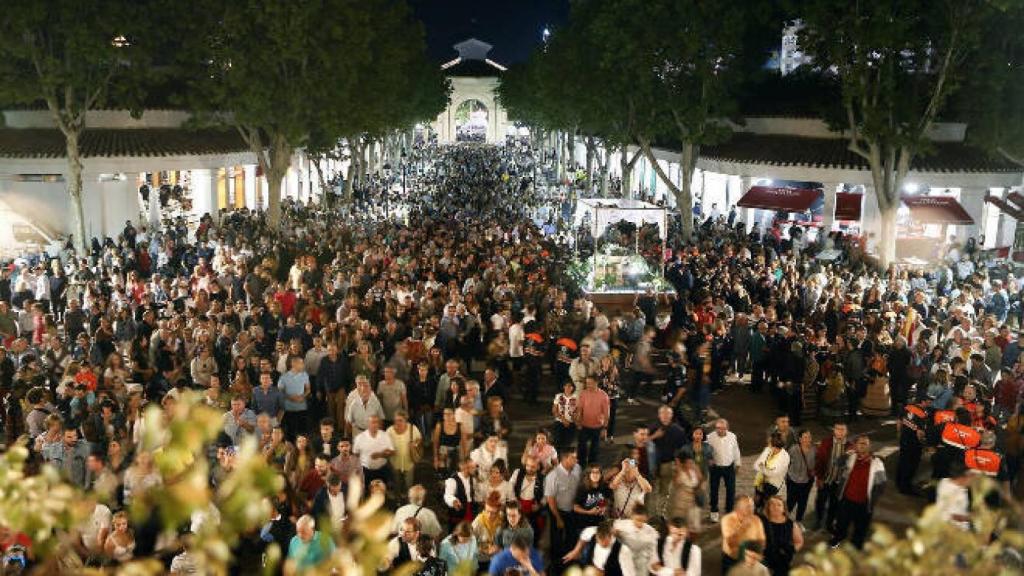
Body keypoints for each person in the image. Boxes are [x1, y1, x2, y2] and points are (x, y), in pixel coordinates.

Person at [830, 434, 886, 549]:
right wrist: (846, 454)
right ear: (855, 445)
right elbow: (837, 463)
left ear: (869, 446)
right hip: (846, 500)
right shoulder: (850, 458)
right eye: (860, 443)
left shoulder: (877, 463)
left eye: (866, 443)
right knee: (841, 523)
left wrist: (873, 498)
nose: (863, 445)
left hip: (864, 504)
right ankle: (838, 538)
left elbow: (882, 484)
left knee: (860, 528)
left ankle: (856, 546)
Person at [649, 405, 689, 517]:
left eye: (668, 414)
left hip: (668, 464)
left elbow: (684, 449)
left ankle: (660, 514)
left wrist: (680, 466)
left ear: (671, 415)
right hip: (652, 465)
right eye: (663, 413)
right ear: (659, 415)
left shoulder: (678, 430)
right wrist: (654, 436)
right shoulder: (652, 428)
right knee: (650, 490)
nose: (665, 416)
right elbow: (640, 443)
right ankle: (651, 514)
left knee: (665, 491)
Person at [544, 450, 581, 574]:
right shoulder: (552, 476)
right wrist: (558, 518)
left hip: (574, 511)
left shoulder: (577, 469)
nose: (576, 460)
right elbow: (550, 500)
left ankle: (570, 564)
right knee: (557, 541)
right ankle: (556, 567)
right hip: (558, 512)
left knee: (572, 538)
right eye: (573, 458)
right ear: (565, 459)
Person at [564, 518, 636, 576]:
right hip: (591, 569)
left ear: (611, 536)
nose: (602, 544)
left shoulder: (623, 550)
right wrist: (576, 551)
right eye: (599, 541)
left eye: (605, 542)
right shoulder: (593, 531)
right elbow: (584, 535)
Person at [812, 422, 850, 532]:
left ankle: (829, 524)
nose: (840, 432)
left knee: (834, 504)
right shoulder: (825, 443)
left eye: (842, 429)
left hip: (838, 483)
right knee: (820, 502)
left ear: (846, 431)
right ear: (834, 430)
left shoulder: (850, 446)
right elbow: (819, 461)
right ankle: (818, 521)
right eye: (838, 429)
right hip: (825, 480)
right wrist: (819, 478)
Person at [707, 418, 742, 523]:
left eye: (723, 428)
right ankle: (714, 511)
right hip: (715, 468)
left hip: (729, 467)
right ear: (715, 428)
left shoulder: (732, 436)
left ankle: (729, 511)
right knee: (713, 490)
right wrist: (708, 459)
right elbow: (705, 450)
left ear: (727, 428)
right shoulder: (709, 437)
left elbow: (736, 450)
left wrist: (738, 464)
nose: (720, 430)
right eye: (718, 428)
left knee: (731, 490)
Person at [720, 495, 765, 575]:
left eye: (752, 506)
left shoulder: (756, 519)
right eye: (748, 507)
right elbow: (731, 543)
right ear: (737, 508)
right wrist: (743, 528)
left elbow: (762, 541)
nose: (752, 509)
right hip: (732, 559)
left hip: (752, 558)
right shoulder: (727, 519)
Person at [759, 495, 803, 575]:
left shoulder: (791, 524)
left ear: (784, 508)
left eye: (779, 505)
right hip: (765, 558)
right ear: (768, 507)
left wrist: (792, 551)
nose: (775, 507)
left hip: (785, 558)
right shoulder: (761, 522)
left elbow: (799, 541)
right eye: (772, 504)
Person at [576, 375, 610, 467]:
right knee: (581, 448)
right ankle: (580, 466)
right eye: (587, 383)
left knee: (594, 449)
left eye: (590, 383)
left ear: (596, 383)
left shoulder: (604, 396)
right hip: (584, 426)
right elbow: (579, 409)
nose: (588, 385)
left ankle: (591, 467)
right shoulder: (583, 393)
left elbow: (607, 414)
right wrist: (578, 422)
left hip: (597, 427)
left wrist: (604, 428)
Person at [387, 410, 422, 495]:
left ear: (406, 420)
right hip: (395, 462)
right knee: (396, 483)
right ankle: (398, 499)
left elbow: (419, 439)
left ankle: (408, 501)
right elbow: (386, 445)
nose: (397, 423)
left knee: (409, 485)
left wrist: (415, 444)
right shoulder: (390, 431)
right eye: (396, 420)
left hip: (409, 462)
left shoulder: (412, 428)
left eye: (400, 420)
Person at [352, 415, 395, 486]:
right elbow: (355, 455)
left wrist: (381, 455)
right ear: (368, 424)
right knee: (366, 492)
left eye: (377, 422)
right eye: (373, 422)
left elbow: (392, 452)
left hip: (382, 470)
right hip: (366, 471)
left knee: (381, 492)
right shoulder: (360, 437)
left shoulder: (385, 436)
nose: (375, 424)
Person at [753, 432, 791, 510]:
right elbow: (755, 465)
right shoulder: (768, 449)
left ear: (775, 443)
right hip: (760, 483)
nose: (768, 441)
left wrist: (763, 468)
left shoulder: (785, 457)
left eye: (770, 441)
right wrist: (765, 469)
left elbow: (774, 473)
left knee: (768, 508)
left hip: (772, 487)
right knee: (756, 504)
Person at [785, 429, 815, 525]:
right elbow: (786, 462)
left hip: (807, 482)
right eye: (805, 437)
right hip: (793, 481)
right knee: (790, 502)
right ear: (800, 439)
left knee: (803, 503)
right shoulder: (793, 449)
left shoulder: (814, 450)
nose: (808, 439)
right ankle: (784, 520)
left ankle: (798, 521)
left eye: (809, 437)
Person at [278, 356, 311, 441]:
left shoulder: (305, 375)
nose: (303, 365)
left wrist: (302, 396)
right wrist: (290, 397)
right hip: (289, 408)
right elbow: (280, 391)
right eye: (301, 363)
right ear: (293, 364)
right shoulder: (284, 376)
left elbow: (308, 389)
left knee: (302, 430)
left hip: (302, 406)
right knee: (290, 431)